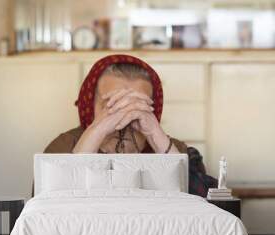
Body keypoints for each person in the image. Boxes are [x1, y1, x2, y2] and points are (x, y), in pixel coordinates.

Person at [43, 54, 216, 197]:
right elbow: (46, 210)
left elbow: (205, 207)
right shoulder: (63, 146)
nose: (125, 115)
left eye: (137, 104)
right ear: (89, 106)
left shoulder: (175, 149)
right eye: (112, 105)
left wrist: (156, 135)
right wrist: (98, 130)